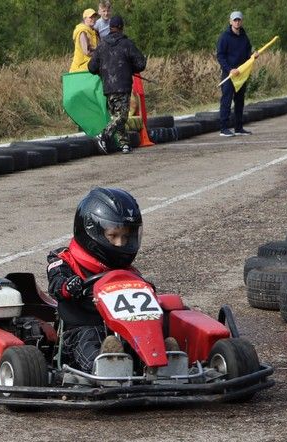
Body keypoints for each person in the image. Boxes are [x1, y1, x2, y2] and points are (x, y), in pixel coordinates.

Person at [46, 188, 176, 372]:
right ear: (91, 230)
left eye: (125, 237)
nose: (120, 244)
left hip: (122, 327)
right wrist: (69, 286)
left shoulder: (125, 269)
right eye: (113, 236)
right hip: (80, 330)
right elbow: (56, 285)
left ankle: (165, 360)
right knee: (90, 339)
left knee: (146, 331)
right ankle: (108, 364)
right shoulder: (64, 261)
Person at [87, 15, 147, 154]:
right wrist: (129, 68)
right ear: (121, 27)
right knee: (122, 117)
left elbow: (91, 67)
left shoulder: (102, 45)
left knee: (116, 116)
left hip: (108, 87)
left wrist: (103, 70)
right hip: (123, 85)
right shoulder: (127, 44)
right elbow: (140, 64)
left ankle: (124, 144)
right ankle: (103, 135)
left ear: (110, 27)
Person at [217, 11, 253, 137]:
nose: (237, 22)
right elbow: (220, 56)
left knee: (239, 101)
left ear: (241, 21)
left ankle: (238, 127)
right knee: (226, 101)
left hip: (241, 75)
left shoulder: (244, 36)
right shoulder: (224, 37)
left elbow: (248, 53)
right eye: (235, 20)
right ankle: (224, 129)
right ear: (230, 21)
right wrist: (229, 69)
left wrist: (253, 56)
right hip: (229, 75)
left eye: (239, 20)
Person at [70, 8, 99, 73]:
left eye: (94, 17)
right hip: (80, 68)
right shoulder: (82, 32)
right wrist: (100, 54)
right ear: (85, 18)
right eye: (91, 17)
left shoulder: (93, 31)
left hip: (88, 65)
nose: (93, 19)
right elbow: (87, 52)